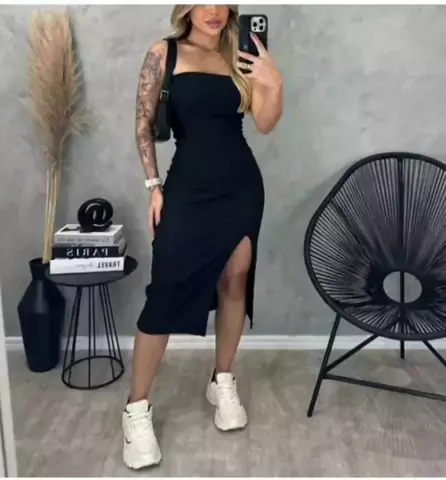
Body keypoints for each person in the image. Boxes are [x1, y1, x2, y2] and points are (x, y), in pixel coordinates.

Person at [123, 4, 283, 470]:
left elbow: (265, 122)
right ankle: (136, 409)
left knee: (235, 280)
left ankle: (222, 380)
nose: (214, 10)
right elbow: (142, 122)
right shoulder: (165, 53)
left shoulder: (242, 54)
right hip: (188, 188)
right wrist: (153, 187)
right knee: (165, 290)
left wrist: (273, 82)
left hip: (241, 187)